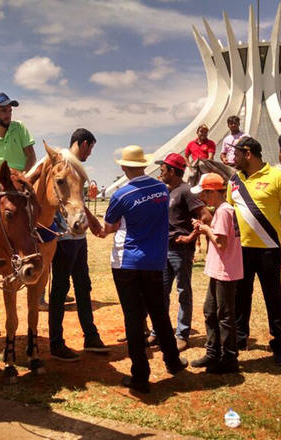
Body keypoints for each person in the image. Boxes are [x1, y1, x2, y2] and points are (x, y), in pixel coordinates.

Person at [92, 145, 187, 394]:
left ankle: (140, 376)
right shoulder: (162, 190)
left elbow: (109, 228)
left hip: (127, 261)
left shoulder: (121, 195)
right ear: (144, 165)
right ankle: (173, 362)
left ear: (124, 167)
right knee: (159, 313)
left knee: (133, 319)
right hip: (155, 260)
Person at [228, 137, 281, 366]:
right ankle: (239, 339)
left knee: (273, 295)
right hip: (241, 249)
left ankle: (278, 341)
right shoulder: (234, 180)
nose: (233, 159)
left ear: (248, 153)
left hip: (269, 249)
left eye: (236, 154)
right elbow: (231, 210)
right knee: (240, 295)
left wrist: (272, 229)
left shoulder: (279, 178)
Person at [48, 128, 110, 361]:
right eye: (91, 148)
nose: (90, 154)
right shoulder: (63, 164)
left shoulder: (75, 167)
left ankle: (90, 336)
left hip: (78, 237)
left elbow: (79, 203)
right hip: (63, 237)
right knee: (61, 290)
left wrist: (92, 222)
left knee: (83, 286)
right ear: (83, 144)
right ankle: (56, 342)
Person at [147, 153, 209, 351]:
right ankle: (158, 332)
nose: (160, 172)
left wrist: (191, 237)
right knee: (160, 293)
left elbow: (205, 216)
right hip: (162, 250)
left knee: (183, 292)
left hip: (180, 251)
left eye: (163, 169)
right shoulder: (167, 191)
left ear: (173, 171)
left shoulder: (186, 191)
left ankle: (182, 334)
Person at [190, 173, 242, 373]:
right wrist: (206, 227)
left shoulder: (223, 211)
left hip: (224, 270)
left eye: (204, 193)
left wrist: (205, 230)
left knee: (224, 315)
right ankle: (213, 352)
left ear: (212, 192)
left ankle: (229, 358)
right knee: (210, 311)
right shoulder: (225, 209)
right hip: (220, 269)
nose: (202, 197)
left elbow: (221, 242)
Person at [0, 92, 36, 173]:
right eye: (4, 111)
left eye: (10, 111)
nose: (8, 115)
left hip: (25, 179)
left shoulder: (19, 127)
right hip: (2, 183)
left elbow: (31, 157)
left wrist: (24, 179)